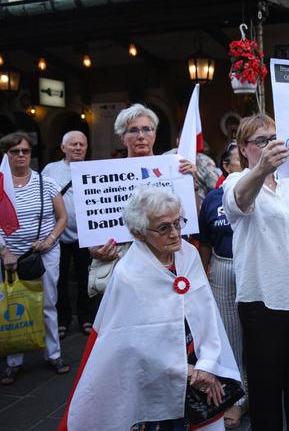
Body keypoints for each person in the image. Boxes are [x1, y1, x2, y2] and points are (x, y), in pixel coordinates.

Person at [60, 187, 241, 430]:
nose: (176, 234)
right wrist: (187, 372)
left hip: (197, 363)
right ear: (139, 232)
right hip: (155, 375)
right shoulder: (128, 274)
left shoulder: (189, 255)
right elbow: (130, 342)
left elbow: (207, 314)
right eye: (164, 228)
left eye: (178, 223)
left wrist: (207, 365)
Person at [223, 114, 289, 431]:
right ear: (244, 149)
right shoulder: (236, 181)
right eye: (260, 140)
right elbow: (240, 202)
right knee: (265, 388)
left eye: (274, 138)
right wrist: (261, 169)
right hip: (261, 299)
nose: (270, 144)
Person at [89, 103, 196, 279]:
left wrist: (190, 183)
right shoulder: (105, 174)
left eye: (147, 129)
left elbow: (189, 219)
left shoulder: (176, 169)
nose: (141, 136)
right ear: (122, 137)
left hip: (167, 257)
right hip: (124, 259)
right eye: (133, 130)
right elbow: (94, 222)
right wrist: (95, 249)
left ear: (155, 134)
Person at [0, 132, 69, 385]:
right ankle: (13, 361)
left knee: (48, 303)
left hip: (45, 252)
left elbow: (62, 217)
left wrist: (49, 240)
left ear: (31, 154)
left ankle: (54, 354)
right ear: (6, 154)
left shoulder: (46, 182)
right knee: (11, 307)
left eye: (25, 151)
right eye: (14, 151)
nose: (20, 155)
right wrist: (4, 251)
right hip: (8, 256)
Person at [196, 141, 245, 429]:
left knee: (257, 335)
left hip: (255, 270)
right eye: (240, 160)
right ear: (226, 166)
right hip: (222, 268)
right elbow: (204, 239)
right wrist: (204, 270)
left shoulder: (262, 192)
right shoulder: (213, 198)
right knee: (230, 336)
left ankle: (256, 391)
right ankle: (236, 399)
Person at [42, 131, 97, 339]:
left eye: (82, 144)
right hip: (57, 234)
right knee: (59, 279)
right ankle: (63, 319)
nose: (78, 147)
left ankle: (85, 317)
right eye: (73, 144)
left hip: (86, 235)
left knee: (86, 277)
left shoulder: (93, 169)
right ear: (63, 147)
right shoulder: (50, 170)